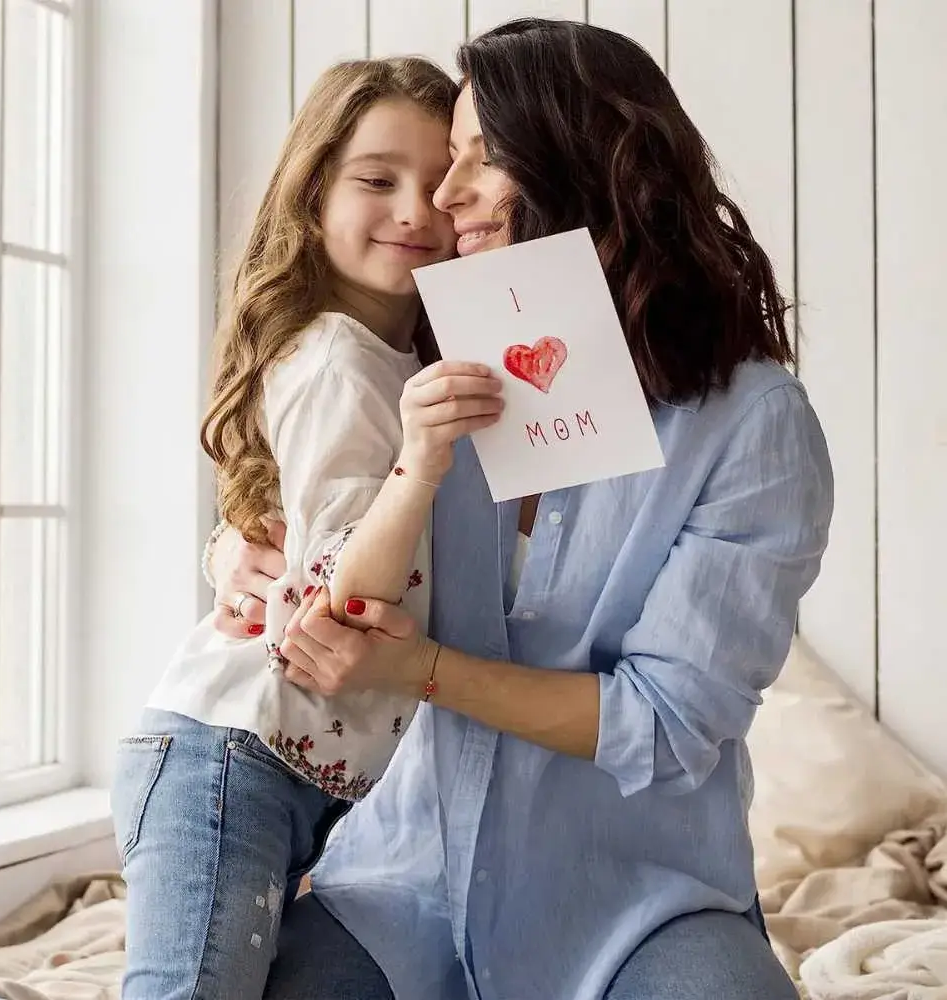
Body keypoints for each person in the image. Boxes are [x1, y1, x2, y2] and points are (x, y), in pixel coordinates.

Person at [210, 19, 834, 1000]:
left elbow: (664, 722)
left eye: (479, 158)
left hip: (642, 903)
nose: (444, 199)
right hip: (392, 887)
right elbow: (309, 499)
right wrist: (235, 548)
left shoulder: (749, 424)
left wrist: (419, 668)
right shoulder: (417, 360)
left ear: (578, 160)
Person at [109, 57, 502, 1000]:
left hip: (325, 783)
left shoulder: (411, 359)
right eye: (376, 180)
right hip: (232, 754)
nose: (417, 210)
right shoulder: (332, 360)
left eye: (436, 181)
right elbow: (336, 598)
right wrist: (418, 465)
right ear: (313, 191)